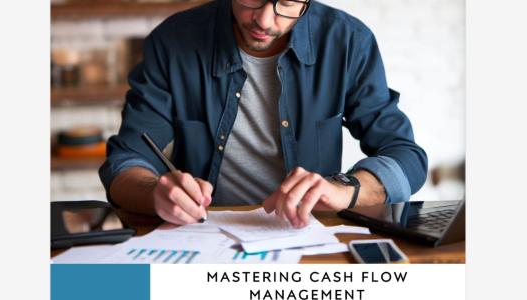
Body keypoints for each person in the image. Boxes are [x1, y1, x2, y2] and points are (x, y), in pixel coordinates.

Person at [99, 0, 427, 228]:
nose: (265, 21)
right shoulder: (173, 42)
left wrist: (343, 189)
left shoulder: (348, 41)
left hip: (309, 239)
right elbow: (125, 163)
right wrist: (155, 193)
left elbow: (405, 156)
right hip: (204, 238)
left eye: (287, 3)